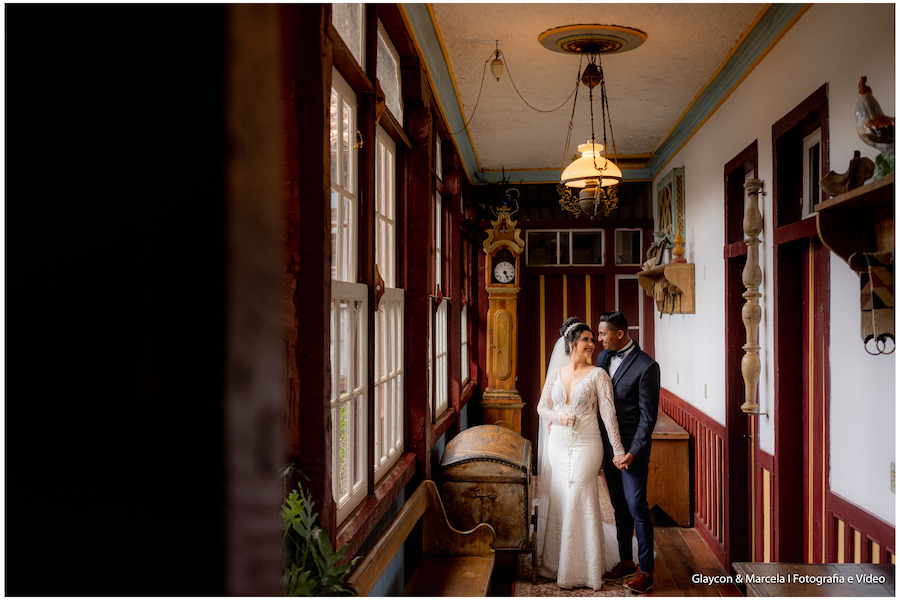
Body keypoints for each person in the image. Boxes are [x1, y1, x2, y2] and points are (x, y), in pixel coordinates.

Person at [535, 317, 627, 591]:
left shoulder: (598, 375)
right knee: (561, 496)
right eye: (586, 339)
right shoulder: (555, 375)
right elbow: (542, 407)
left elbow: (609, 415)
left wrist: (618, 451)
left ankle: (585, 569)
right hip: (559, 444)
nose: (592, 344)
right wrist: (559, 418)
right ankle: (555, 564)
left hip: (587, 444)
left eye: (592, 339)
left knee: (578, 494)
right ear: (571, 344)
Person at [595, 310, 661, 594]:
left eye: (603, 333)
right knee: (618, 506)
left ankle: (646, 571)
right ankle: (626, 560)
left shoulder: (647, 366)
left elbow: (648, 417)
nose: (599, 339)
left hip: (632, 452)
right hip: (607, 448)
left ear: (619, 334)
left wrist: (632, 452)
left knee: (637, 507)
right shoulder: (602, 358)